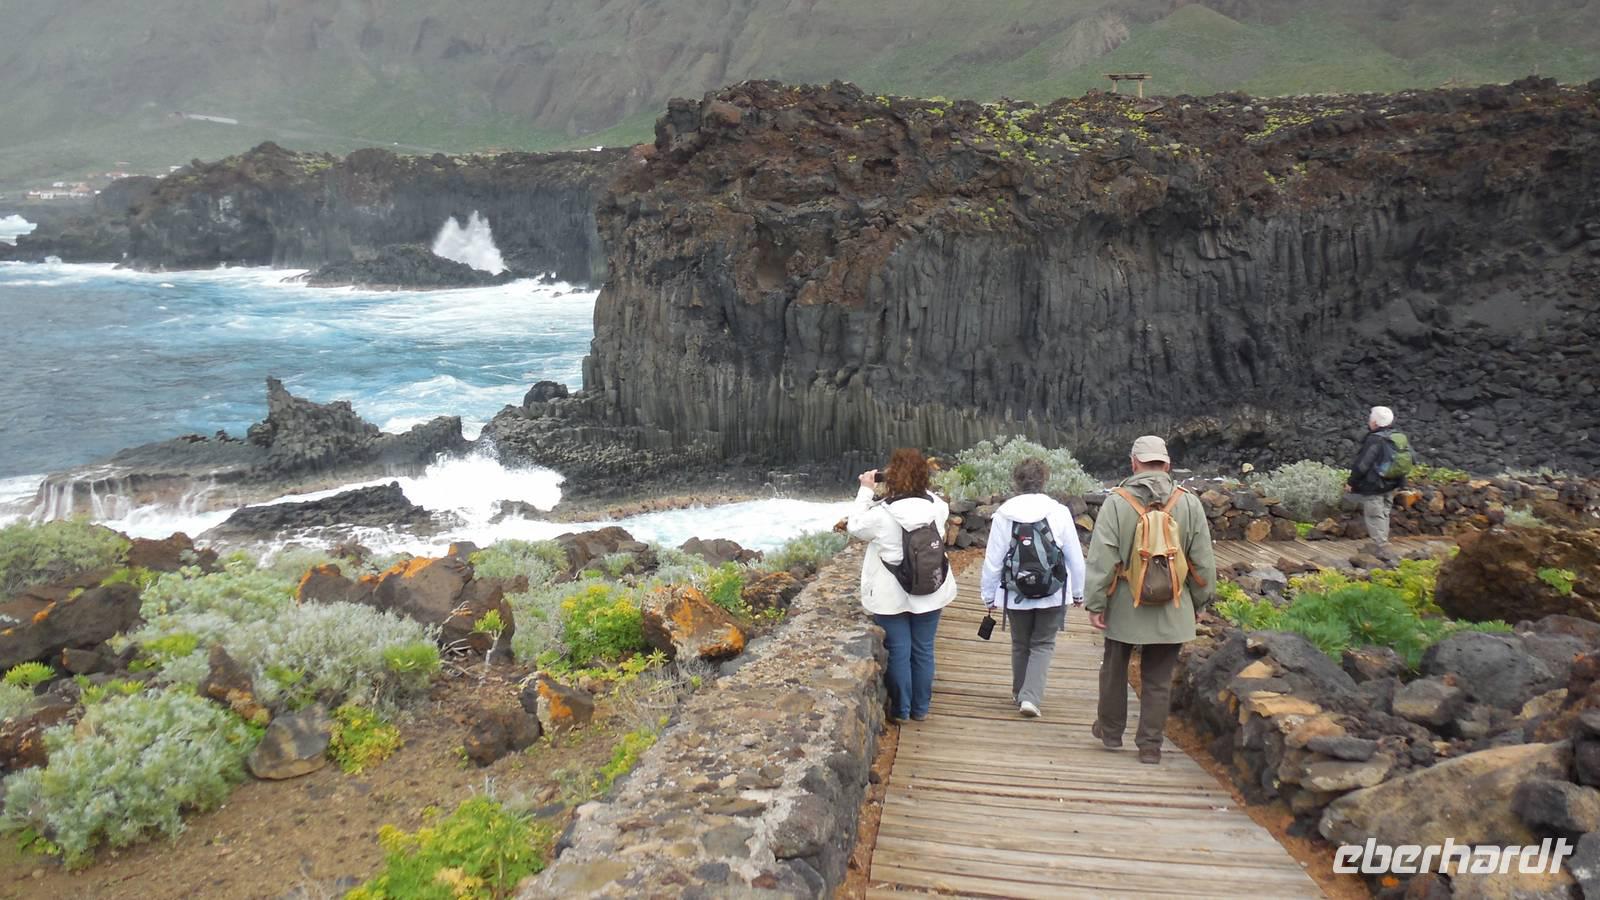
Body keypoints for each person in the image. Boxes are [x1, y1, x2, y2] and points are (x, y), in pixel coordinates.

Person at [1084, 435, 1216, 765]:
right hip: (1173, 603)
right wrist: (1199, 603)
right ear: (1167, 464)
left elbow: (1102, 559)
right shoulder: (1188, 503)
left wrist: (1096, 603)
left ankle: (1112, 732)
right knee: (1158, 679)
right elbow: (1203, 562)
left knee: (1113, 670)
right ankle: (1150, 746)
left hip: (1126, 603)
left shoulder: (1117, 502)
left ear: (1134, 463)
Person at [848, 447, 958, 722]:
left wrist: (866, 489)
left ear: (892, 476)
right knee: (923, 649)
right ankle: (921, 708)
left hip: (890, 594)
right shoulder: (937, 507)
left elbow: (855, 526)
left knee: (899, 650)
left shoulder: (882, 514)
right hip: (931, 589)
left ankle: (902, 710)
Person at [979, 457, 1086, 718]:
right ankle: (1031, 697)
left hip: (1016, 592)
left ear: (1016, 481)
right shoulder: (1058, 512)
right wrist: (1078, 592)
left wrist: (989, 595)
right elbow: (1075, 557)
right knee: (1043, 643)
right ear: (1044, 479)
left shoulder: (1004, 514)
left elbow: (993, 560)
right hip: (1053, 592)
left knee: (1020, 642)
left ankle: (1019, 692)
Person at [1347, 406, 1403, 546]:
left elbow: (1363, 464)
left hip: (1375, 484)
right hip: (1393, 482)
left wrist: (1351, 482)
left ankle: (1380, 547)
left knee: (1374, 514)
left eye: (1371, 419)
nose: (1369, 421)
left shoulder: (1375, 439)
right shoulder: (1398, 436)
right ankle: (1383, 542)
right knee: (1384, 513)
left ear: (1376, 422)